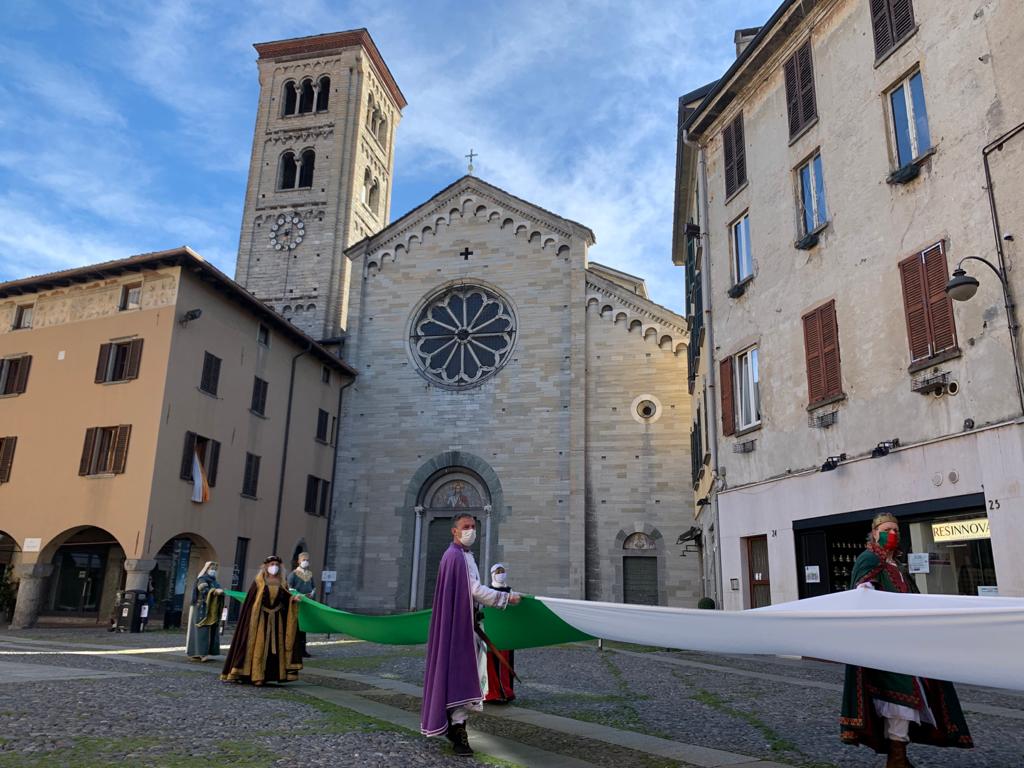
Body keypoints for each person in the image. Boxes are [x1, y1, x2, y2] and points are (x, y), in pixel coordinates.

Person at [840, 513, 973, 767]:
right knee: (899, 699)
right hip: (883, 645)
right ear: (874, 532)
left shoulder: (897, 565)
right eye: (886, 529)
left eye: (896, 530)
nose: (892, 533)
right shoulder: (868, 558)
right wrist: (866, 590)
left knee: (912, 696)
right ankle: (897, 758)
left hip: (905, 643)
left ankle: (898, 756)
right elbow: (861, 591)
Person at [421, 513, 521, 756]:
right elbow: (474, 590)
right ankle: (457, 731)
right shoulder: (455, 557)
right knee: (460, 676)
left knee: (460, 675)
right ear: (454, 531)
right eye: (465, 527)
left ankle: (454, 725)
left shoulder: (463, 556)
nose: (470, 531)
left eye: (473, 526)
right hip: (459, 629)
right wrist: (506, 598)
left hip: (464, 625)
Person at [220, 555, 303, 686]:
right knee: (258, 646)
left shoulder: (282, 582)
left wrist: (293, 599)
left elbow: (286, 598)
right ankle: (256, 675)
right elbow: (251, 603)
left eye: (276, 564)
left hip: (277, 621)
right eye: (271, 564)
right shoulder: (258, 582)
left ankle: (270, 675)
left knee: (274, 649)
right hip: (259, 620)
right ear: (266, 567)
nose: (274, 567)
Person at [484, 563, 516, 704]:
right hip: (492, 633)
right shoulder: (487, 591)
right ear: (493, 574)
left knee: (506, 663)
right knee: (491, 664)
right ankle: (493, 692)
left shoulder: (511, 591)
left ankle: (506, 692)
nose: (501, 574)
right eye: (498, 572)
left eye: (502, 571)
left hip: (507, 633)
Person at [187, 561, 224, 661]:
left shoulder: (214, 581)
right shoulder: (202, 579)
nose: (213, 571)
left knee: (208, 630)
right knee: (201, 631)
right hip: (201, 609)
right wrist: (215, 591)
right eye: (211, 569)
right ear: (207, 569)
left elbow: (219, 589)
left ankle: (203, 652)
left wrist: (220, 592)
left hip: (211, 609)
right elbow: (203, 589)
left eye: (215, 569)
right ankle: (199, 653)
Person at [287, 551, 316, 658]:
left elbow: (313, 587)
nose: (305, 562)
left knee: (303, 628)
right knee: (296, 628)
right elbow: (289, 589)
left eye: (307, 560)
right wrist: (300, 596)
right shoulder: (293, 574)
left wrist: (312, 595)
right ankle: (294, 649)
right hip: (296, 605)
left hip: (306, 606)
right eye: (303, 560)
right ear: (299, 561)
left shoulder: (309, 574)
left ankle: (303, 650)